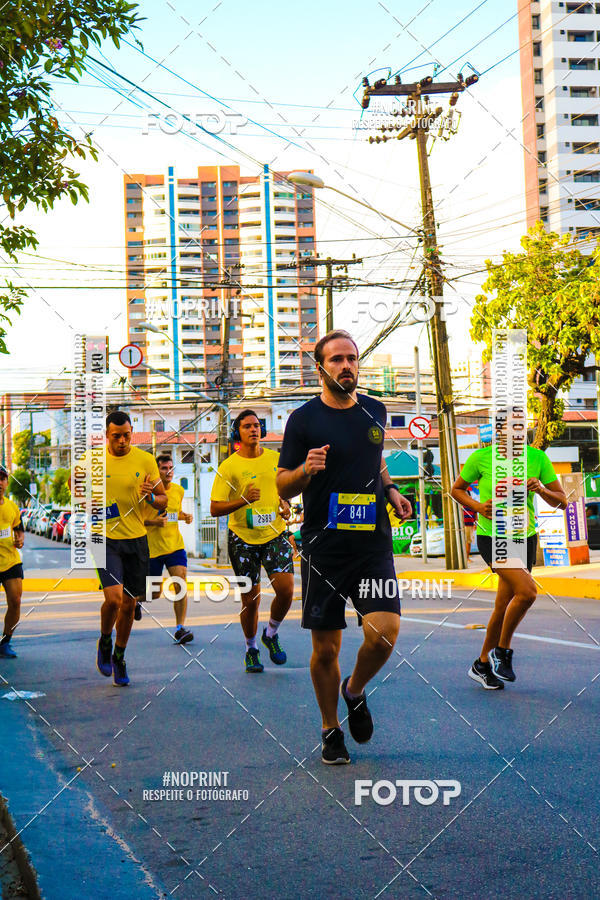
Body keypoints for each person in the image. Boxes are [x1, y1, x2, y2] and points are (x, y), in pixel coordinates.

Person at [276, 330, 412, 765]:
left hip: (372, 544)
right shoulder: (302, 420)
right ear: (320, 368)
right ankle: (329, 728)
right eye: (336, 359)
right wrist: (305, 470)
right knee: (326, 649)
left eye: (352, 358)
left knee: (384, 633)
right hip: (324, 548)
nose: (346, 365)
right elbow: (282, 483)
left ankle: (353, 689)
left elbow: (376, 460)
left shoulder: (375, 410)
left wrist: (391, 489)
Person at [452, 443, 567, 689]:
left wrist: (541, 489)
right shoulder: (481, 457)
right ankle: (502, 651)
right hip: (493, 537)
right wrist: (478, 507)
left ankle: (482, 664)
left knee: (503, 605)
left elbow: (562, 502)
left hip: (524, 538)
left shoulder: (537, 457)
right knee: (527, 592)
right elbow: (456, 489)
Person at [71, 411, 167, 686]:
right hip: (103, 538)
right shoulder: (92, 459)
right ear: (106, 435)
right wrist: (85, 502)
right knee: (113, 599)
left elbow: (163, 499)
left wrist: (151, 496)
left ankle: (119, 656)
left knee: (129, 603)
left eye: (126, 435)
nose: (122, 441)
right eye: (116, 436)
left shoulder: (145, 460)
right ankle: (105, 640)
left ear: (131, 432)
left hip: (136, 539)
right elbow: (74, 486)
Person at [210, 409, 294, 673]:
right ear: (237, 433)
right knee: (251, 600)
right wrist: (243, 500)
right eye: (247, 426)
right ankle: (251, 648)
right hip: (242, 538)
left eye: (257, 425)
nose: (253, 429)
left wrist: (286, 505)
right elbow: (214, 508)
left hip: (275, 533)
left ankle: (271, 633)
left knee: (286, 590)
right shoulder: (229, 467)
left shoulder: (275, 459)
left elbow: (285, 491)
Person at [145, 454, 194, 645]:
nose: (168, 472)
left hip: (175, 546)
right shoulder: (147, 493)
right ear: (157, 471)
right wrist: (153, 522)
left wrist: (185, 516)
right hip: (152, 549)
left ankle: (180, 628)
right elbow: (136, 520)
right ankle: (134, 601)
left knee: (180, 582)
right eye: (164, 468)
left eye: (171, 468)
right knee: (154, 593)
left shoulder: (179, 490)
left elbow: (174, 513)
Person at [0, 466, 25, 659]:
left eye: (2, 479)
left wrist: (20, 539)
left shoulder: (12, 506)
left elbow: (18, 528)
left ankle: (5, 642)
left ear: (7, 482)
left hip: (11, 560)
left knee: (15, 601)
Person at [463, 491, 477, 561]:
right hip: (462, 525)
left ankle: (467, 557)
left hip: (469, 525)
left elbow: (475, 515)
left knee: (468, 541)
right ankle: (465, 558)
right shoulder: (461, 504)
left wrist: (475, 524)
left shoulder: (472, 505)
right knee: (465, 541)